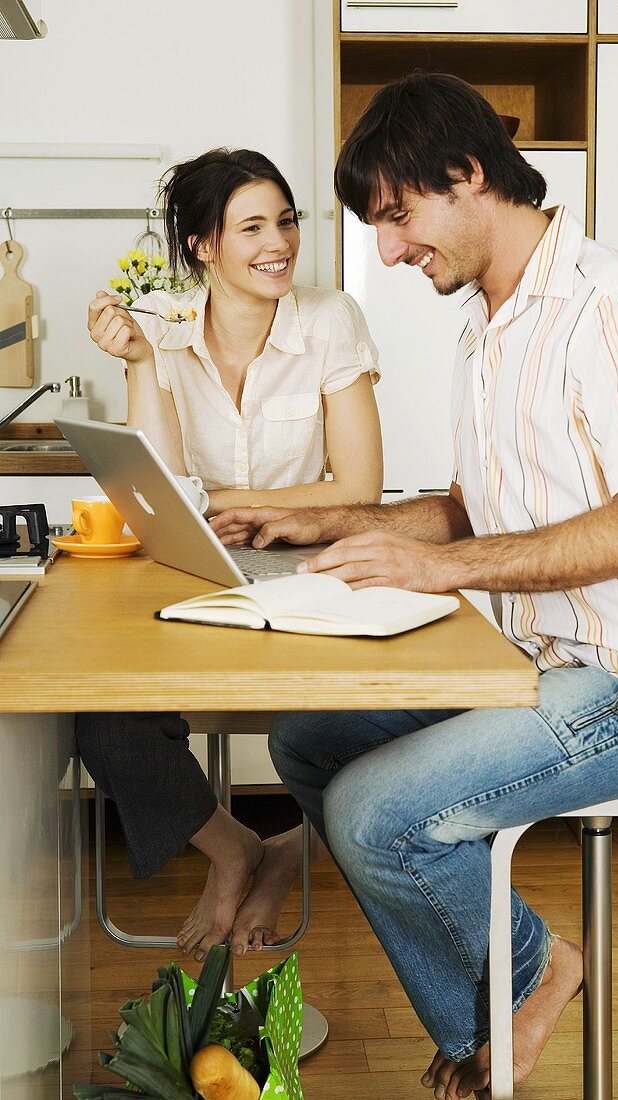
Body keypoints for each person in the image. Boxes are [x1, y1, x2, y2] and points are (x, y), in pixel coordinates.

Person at [209, 75, 618, 1097]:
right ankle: (513, 985)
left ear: (468, 173)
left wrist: (435, 568)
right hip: (543, 662)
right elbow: (475, 504)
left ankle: (527, 984)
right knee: (307, 741)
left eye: (396, 218)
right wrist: (334, 520)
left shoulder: (605, 300)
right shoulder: (488, 320)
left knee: (375, 811)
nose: (387, 251)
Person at [78, 147, 383, 962]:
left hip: (311, 570)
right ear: (204, 245)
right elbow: (163, 486)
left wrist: (245, 505)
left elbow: (361, 485)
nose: (278, 242)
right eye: (251, 226)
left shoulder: (330, 320)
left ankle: (289, 854)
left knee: (377, 722)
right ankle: (234, 848)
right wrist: (141, 361)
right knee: (102, 718)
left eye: (285, 221)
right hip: (200, 569)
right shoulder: (166, 324)